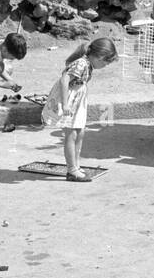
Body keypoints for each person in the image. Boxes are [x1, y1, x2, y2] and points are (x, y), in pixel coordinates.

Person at [41, 38, 118, 182]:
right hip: (69, 100)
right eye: (106, 62)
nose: (106, 65)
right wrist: (65, 104)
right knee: (71, 134)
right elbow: (64, 80)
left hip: (77, 100)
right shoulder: (82, 64)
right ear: (99, 56)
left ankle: (76, 165)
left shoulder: (88, 64)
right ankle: (72, 170)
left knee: (79, 132)